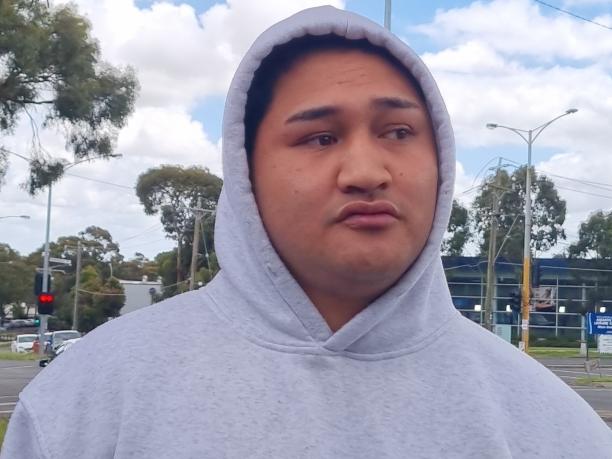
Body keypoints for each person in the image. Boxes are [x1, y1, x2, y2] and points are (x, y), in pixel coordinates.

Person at [2, 6, 611, 458]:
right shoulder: (82, 403)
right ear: (246, 172)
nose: (368, 172)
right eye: (319, 137)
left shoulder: (558, 428)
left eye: (399, 132)